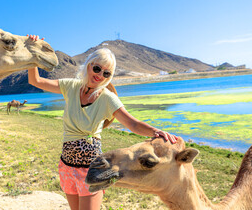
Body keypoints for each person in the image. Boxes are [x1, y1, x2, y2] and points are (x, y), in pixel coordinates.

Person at [27, 35, 177, 210]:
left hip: (91, 168)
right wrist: (33, 51)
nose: (100, 75)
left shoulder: (107, 98)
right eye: (97, 69)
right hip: (66, 165)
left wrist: (155, 131)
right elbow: (35, 81)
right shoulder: (71, 86)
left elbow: (133, 124)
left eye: (106, 73)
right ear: (89, 65)